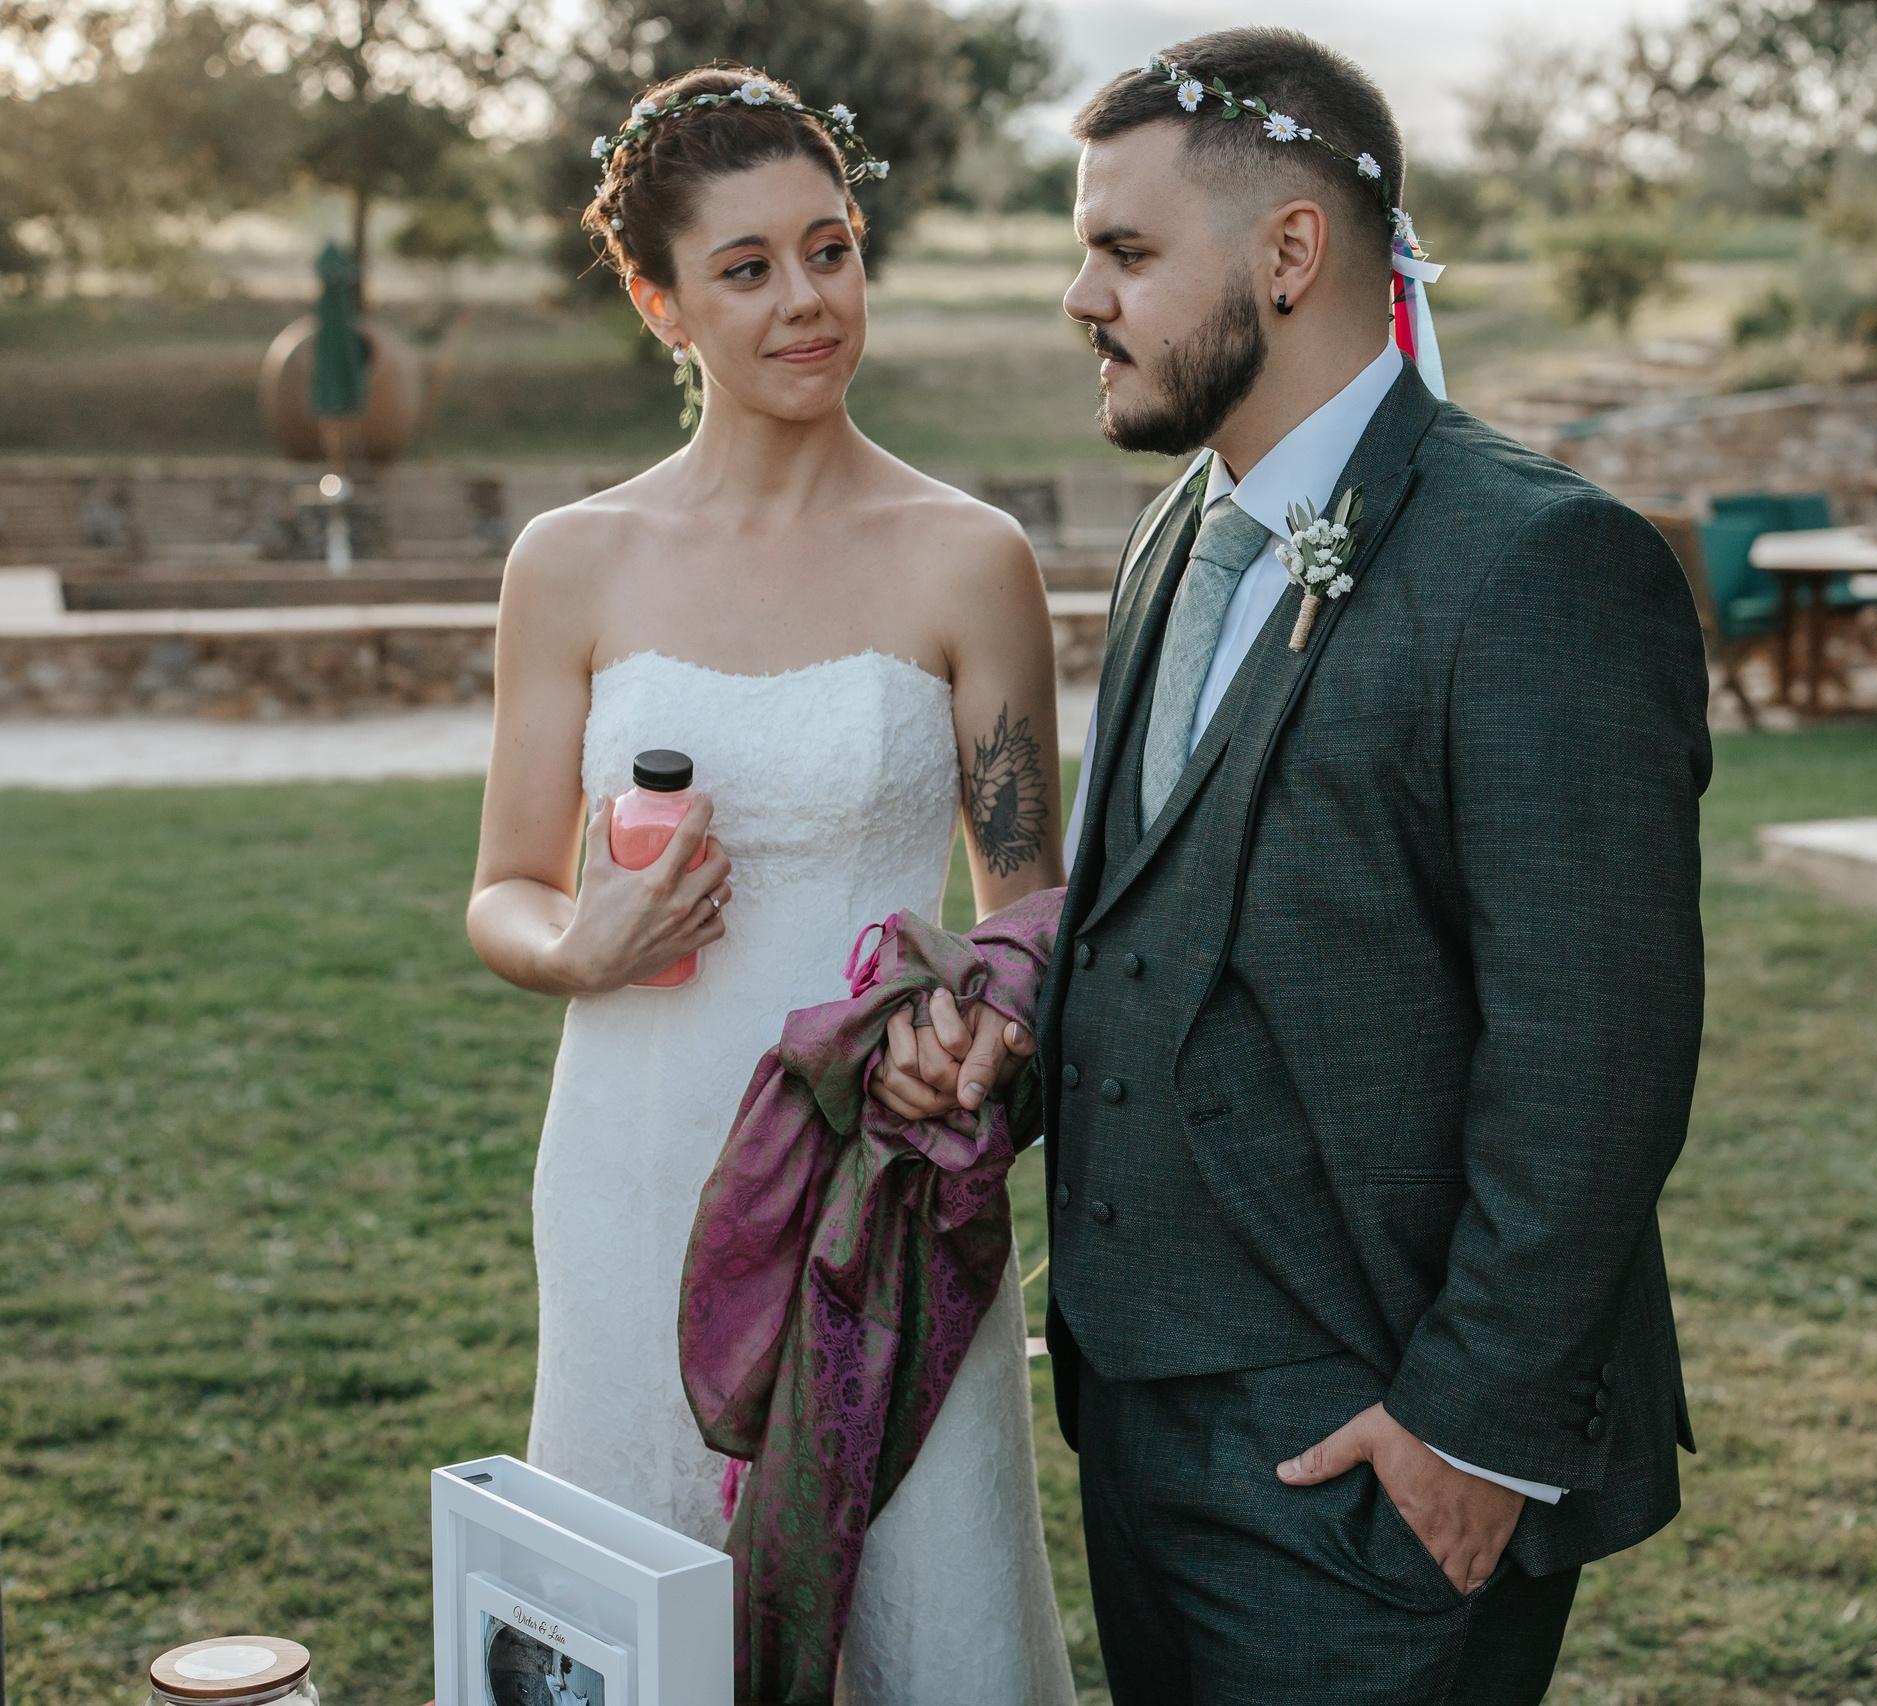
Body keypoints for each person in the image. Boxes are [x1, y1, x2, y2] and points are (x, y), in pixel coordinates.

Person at [874, 28, 1713, 1705]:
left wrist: (1468, 1429)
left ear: (1289, 253)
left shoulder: (1541, 567)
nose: (1078, 297)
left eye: (1122, 250)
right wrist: (1008, 1047)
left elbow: (1598, 1053)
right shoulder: (1184, 526)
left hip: (1375, 1458)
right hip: (1137, 1424)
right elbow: (1160, 925)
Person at [464, 64, 1073, 1705]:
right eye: (747, 269)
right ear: (662, 302)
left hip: (881, 1182)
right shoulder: (570, 563)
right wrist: (573, 941)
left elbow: (1030, 901)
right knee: (638, 1618)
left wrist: (984, 1031)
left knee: (929, 1608)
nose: (808, 301)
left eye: (832, 247)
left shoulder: (970, 558)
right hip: (633, 1169)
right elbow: (505, 887)